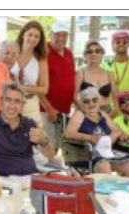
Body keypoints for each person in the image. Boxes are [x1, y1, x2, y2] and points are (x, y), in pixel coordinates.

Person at [65, 87, 129, 178]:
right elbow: (69, 133)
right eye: (87, 101)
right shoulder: (80, 114)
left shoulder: (102, 114)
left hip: (106, 150)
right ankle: (105, 190)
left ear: (99, 102)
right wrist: (91, 138)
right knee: (103, 165)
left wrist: (111, 138)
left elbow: (116, 130)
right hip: (87, 152)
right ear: (82, 104)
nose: (91, 104)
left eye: (94, 100)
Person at [39, 22, 76, 154]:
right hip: (47, 111)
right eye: (57, 34)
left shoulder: (69, 53)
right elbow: (38, 85)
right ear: (51, 35)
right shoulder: (43, 53)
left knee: (56, 149)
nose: (61, 38)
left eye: (64, 35)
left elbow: (71, 80)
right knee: (47, 149)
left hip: (64, 111)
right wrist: (49, 108)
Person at [11, 20, 49, 125]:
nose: (33, 39)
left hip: (30, 106)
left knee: (32, 138)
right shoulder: (11, 51)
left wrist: (23, 88)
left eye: (37, 36)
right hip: (9, 105)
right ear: (23, 34)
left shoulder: (40, 59)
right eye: (30, 34)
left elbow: (44, 89)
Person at [75, 41, 118, 118]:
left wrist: (113, 113)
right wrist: (86, 113)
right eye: (89, 52)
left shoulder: (109, 74)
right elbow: (74, 96)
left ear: (102, 55)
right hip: (85, 113)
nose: (93, 54)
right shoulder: (80, 73)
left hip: (107, 113)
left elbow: (116, 97)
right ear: (85, 56)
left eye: (97, 51)